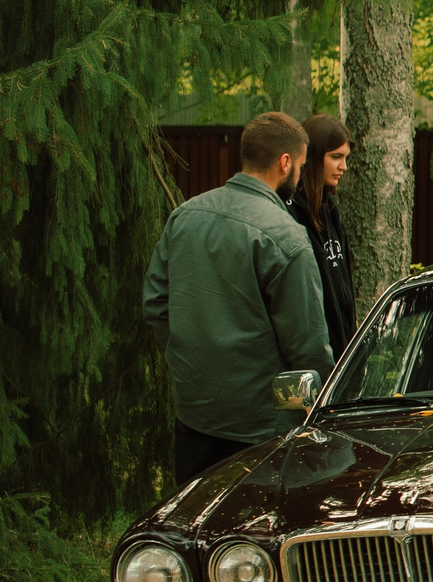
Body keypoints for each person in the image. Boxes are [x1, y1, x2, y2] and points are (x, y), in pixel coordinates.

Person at [142, 112, 334, 486]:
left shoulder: (184, 216)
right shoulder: (287, 237)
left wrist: (191, 364)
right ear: (285, 163)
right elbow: (307, 346)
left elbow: (155, 305)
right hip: (261, 431)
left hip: (194, 415)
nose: (300, 174)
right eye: (301, 166)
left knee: (194, 529)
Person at [287, 113, 358, 357]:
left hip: (341, 354)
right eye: (336, 157)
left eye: (345, 157)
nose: (343, 167)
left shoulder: (330, 209)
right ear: (314, 156)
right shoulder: (290, 212)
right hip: (313, 356)